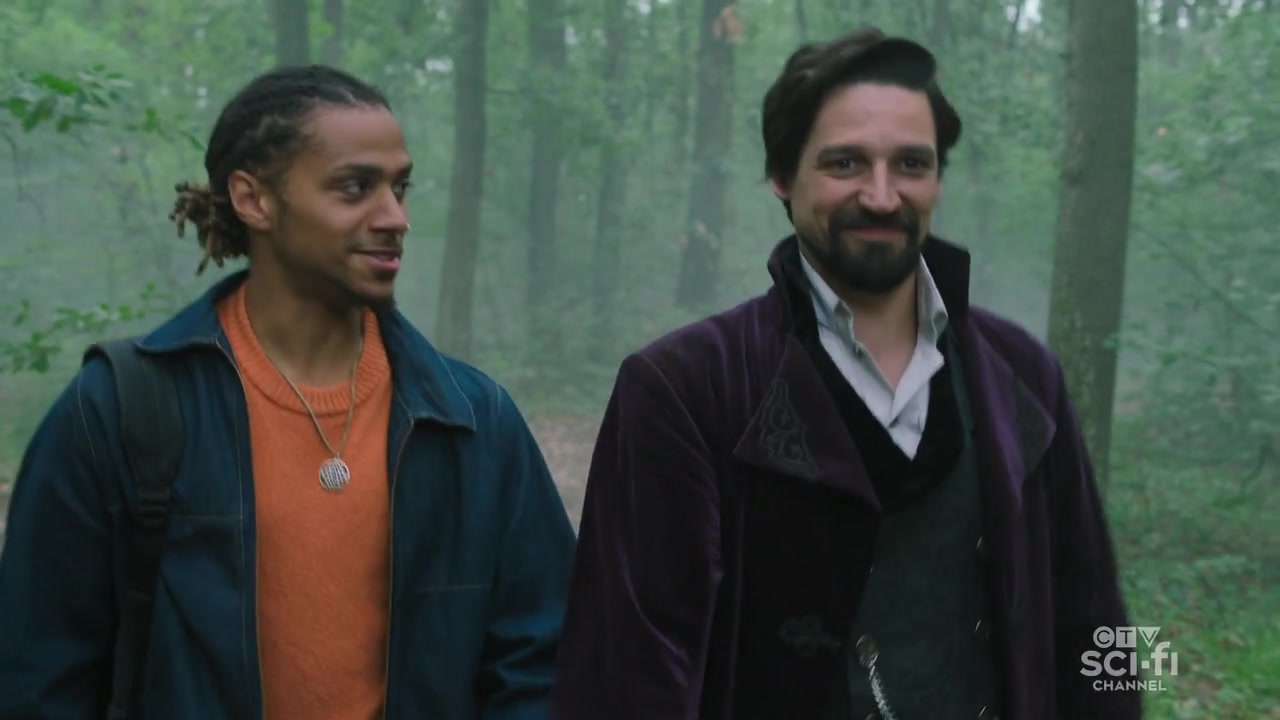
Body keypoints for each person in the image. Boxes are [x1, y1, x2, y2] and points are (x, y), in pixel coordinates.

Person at [550, 27, 1141, 720]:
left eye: (911, 164)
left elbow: (1098, 630)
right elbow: (623, 679)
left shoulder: (1024, 376)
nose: (883, 196)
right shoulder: (683, 389)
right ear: (782, 175)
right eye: (846, 163)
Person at [0, 64, 576, 719]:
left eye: (399, 188)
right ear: (254, 200)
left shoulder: (472, 420)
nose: (395, 218)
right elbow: (37, 678)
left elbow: (540, 662)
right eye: (355, 187)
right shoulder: (119, 412)